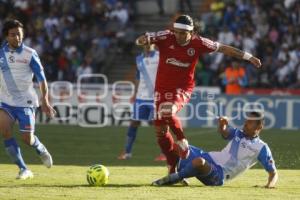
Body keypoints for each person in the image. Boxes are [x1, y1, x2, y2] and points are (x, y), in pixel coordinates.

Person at [135, 14, 262, 174]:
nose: (179, 36)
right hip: (161, 90)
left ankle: (182, 140)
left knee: (168, 110)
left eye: (183, 33)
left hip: (182, 89)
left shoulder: (199, 42)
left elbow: (223, 48)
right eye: (176, 32)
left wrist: (249, 57)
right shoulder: (166, 36)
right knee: (160, 133)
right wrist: (143, 40)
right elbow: (144, 39)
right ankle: (172, 166)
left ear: (192, 32)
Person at [152, 112, 278, 188]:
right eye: (246, 121)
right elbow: (223, 132)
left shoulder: (261, 147)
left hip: (219, 174)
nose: (245, 124)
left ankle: (174, 178)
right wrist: (223, 124)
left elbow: (273, 172)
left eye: (250, 123)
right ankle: (176, 171)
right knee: (180, 147)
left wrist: (269, 185)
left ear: (259, 126)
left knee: (198, 162)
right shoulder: (238, 133)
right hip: (210, 158)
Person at [0, 19, 56, 180]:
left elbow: (41, 78)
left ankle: (40, 147)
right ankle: (23, 169)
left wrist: (44, 100)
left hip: (26, 102)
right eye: (13, 35)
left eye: (19, 34)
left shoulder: (30, 54)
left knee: (27, 139)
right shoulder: (1, 53)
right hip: (5, 101)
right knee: (4, 130)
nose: (17, 38)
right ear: (6, 36)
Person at [118, 44, 165, 161]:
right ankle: (127, 152)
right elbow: (138, 77)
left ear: (154, 43)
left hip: (156, 97)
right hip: (141, 97)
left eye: (150, 42)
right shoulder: (139, 58)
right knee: (134, 123)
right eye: (145, 42)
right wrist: (135, 93)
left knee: (158, 125)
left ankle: (165, 153)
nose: (147, 44)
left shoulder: (160, 56)